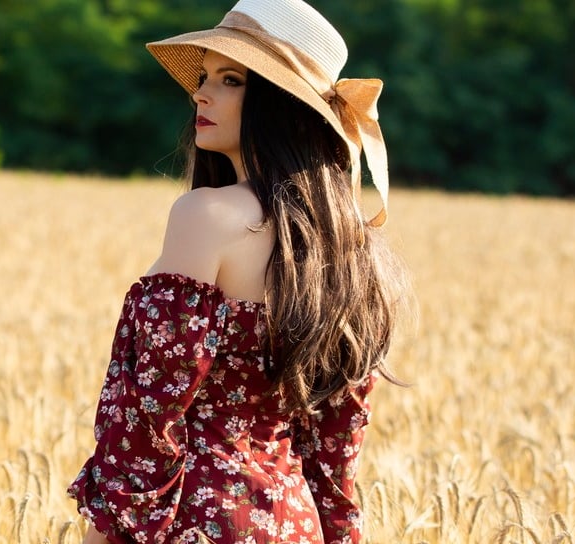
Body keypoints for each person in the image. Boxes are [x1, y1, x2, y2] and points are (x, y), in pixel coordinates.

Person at [67, 1, 409, 542]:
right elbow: (336, 444)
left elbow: (153, 412)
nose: (201, 94)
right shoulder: (351, 251)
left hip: (196, 520)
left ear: (285, 106)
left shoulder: (206, 216)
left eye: (231, 80)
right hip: (296, 522)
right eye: (204, 77)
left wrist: (109, 530)